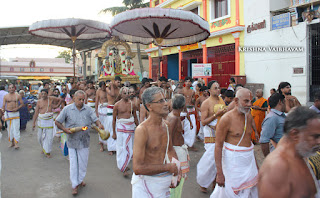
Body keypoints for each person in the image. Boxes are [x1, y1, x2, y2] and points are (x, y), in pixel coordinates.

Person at [258, 106, 320, 198]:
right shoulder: (278, 168)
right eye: (315, 137)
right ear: (294, 134)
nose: (319, 141)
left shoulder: (300, 153)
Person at [132, 87, 179, 197]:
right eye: (160, 101)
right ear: (149, 106)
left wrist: (178, 170)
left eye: (165, 99)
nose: (166, 104)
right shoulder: (142, 130)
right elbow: (137, 168)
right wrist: (168, 167)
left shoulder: (166, 125)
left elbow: (170, 150)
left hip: (162, 183)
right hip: (145, 184)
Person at [211, 88, 259, 198]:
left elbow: (249, 145)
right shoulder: (226, 119)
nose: (249, 104)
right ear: (236, 101)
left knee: (251, 192)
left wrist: (256, 167)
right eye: (246, 101)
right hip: (233, 165)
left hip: (249, 162)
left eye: (251, 101)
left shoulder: (248, 116)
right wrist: (219, 173)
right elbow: (218, 146)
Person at [197, 81, 226, 193]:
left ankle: (215, 184)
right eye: (215, 88)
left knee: (219, 158)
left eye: (218, 88)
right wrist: (216, 115)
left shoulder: (221, 100)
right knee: (211, 160)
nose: (217, 90)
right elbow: (203, 122)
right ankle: (203, 182)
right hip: (210, 133)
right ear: (209, 90)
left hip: (220, 131)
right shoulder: (206, 103)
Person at [166, 94, 190, 198]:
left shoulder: (173, 116)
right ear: (183, 106)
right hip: (176, 151)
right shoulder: (174, 118)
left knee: (177, 180)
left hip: (177, 150)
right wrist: (174, 157)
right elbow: (169, 139)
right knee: (177, 180)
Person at [112, 87, 139, 176]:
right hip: (120, 128)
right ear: (121, 94)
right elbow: (114, 120)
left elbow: (135, 117)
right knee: (121, 148)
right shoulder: (117, 105)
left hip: (130, 128)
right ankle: (123, 167)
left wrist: (139, 128)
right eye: (125, 93)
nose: (127, 94)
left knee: (129, 148)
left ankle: (124, 165)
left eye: (128, 93)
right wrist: (114, 133)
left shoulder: (133, 104)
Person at [33, 89, 62, 158]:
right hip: (41, 120)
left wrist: (57, 106)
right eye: (42, 94)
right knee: (40, 137)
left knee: (49, 137)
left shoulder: (51, 99)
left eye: (44, 94)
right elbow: (36, 112)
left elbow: (60, 99)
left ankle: (47, 151)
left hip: (49, 120)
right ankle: (43, 148)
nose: (43, 95)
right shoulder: (39, 102)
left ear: (47, 94)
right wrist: (33, 122)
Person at [2, 84, 24, 149]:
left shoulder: (18, 96)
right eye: (10, 88)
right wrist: (3, 115)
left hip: (15, 113)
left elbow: (22, 104)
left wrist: (17, 108)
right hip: (8, 113)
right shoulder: (6, 96)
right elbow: (3, 106)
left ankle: (16, 143)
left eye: (12, 88)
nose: (11, 89)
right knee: (10, 129)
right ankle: (12, 143)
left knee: (16, 128)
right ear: (8, 89)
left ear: (14, 88)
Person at [95, 81, 110, 152]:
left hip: (108, 109)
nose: (104, 87)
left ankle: (109, 146)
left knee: (108, 127)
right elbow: (96, 101)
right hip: (101, 110)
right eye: (102, 86)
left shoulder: (108, 90)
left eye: (105, 86)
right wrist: (96, 112)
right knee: (101, 127)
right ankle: (102, 145)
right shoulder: (98, 91)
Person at [182, 77, 197, 151]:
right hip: (183, 110)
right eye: (186, 81)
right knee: (184, 128)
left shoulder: (192, 91)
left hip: (191, 110)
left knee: (192, 127)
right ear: (184, 82)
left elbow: (194, 102)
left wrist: (193, 100)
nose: (188, 83)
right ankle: (184, 143)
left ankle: (191, 144)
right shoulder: (182, 90)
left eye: (189, 82)